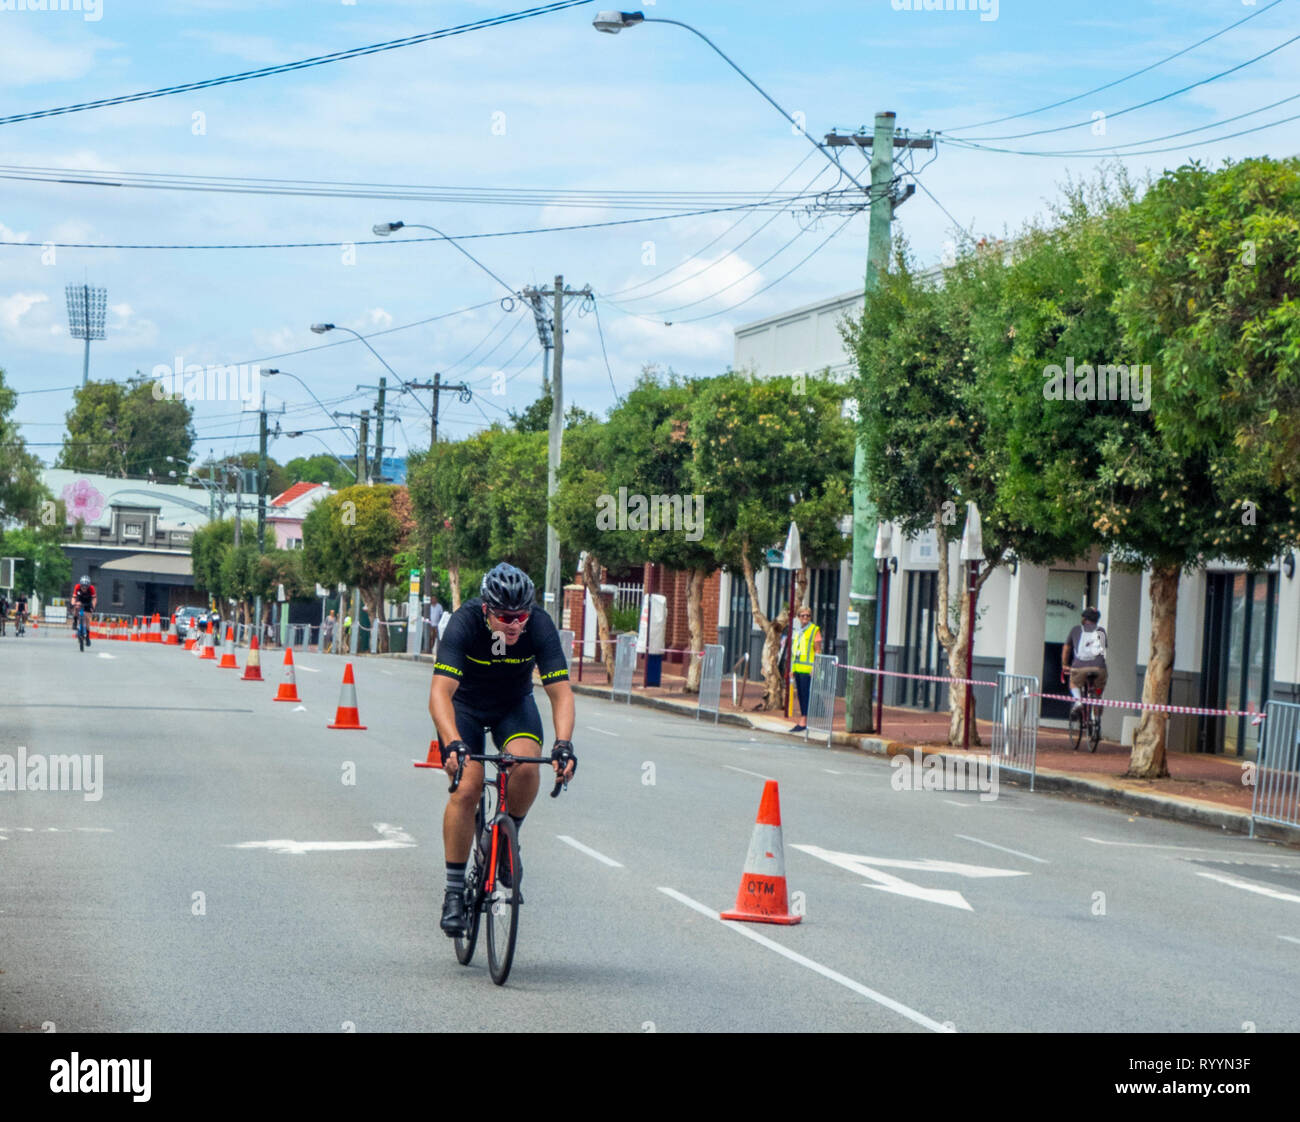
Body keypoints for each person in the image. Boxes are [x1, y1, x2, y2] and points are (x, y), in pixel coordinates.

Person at [428, 562, 576, 937]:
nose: (514, 625)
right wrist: (453, 742)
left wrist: (563, 744)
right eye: (505, 617)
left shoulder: (539, 625)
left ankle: (510, 838)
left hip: (513, 706)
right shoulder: (464, 623)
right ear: (486, 610)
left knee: (527, 765)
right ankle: (454, 891)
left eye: (521, 616)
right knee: (467, 786)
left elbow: (560, 693)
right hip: (465, 709)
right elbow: (440, 694)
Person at [1062, 606, 1108, 716]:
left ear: (1084, 618)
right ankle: (1097, 721)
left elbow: (1067, 648)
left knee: (1073, 683)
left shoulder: (1076, 630)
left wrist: (1065, 665)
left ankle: (1078, 702)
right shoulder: (1101, 631)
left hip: (1079, 668)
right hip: (1099, 669)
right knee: (1098, 693)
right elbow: (1103, 651)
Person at [788, 605, 822, 732]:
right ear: (798, 617)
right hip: (798, 668)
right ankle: (802, 719)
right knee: (801, 695)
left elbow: (817, 650)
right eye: (803, 615)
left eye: (808, 615)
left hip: (808, 670)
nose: (805, 618)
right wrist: (792, 669)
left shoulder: (814, 630)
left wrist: (815, 667)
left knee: (806, 695)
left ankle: (804, 721)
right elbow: (794, 651)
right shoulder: (797, 631)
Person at [72, 576, 96, 646]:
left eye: (86, 587)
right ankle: (75, 621)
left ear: (88, 586)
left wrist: (93, 607)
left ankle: (87, 637)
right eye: (82, 587)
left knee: (87, 618)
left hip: (88, 602)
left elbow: (94, 599)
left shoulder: (91, 588)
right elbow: (74, 597)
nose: (84, 588)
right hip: (80, 600)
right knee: (76, 607)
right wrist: (72, 604)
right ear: (80, 585)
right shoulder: (77, 587)